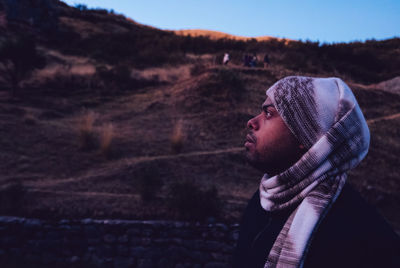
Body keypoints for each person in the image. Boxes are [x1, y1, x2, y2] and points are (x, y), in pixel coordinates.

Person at [233, 76, 400, 268]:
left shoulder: (360, 235)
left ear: (307, 135)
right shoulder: (263, 201)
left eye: (269, 113)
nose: (252, 122)